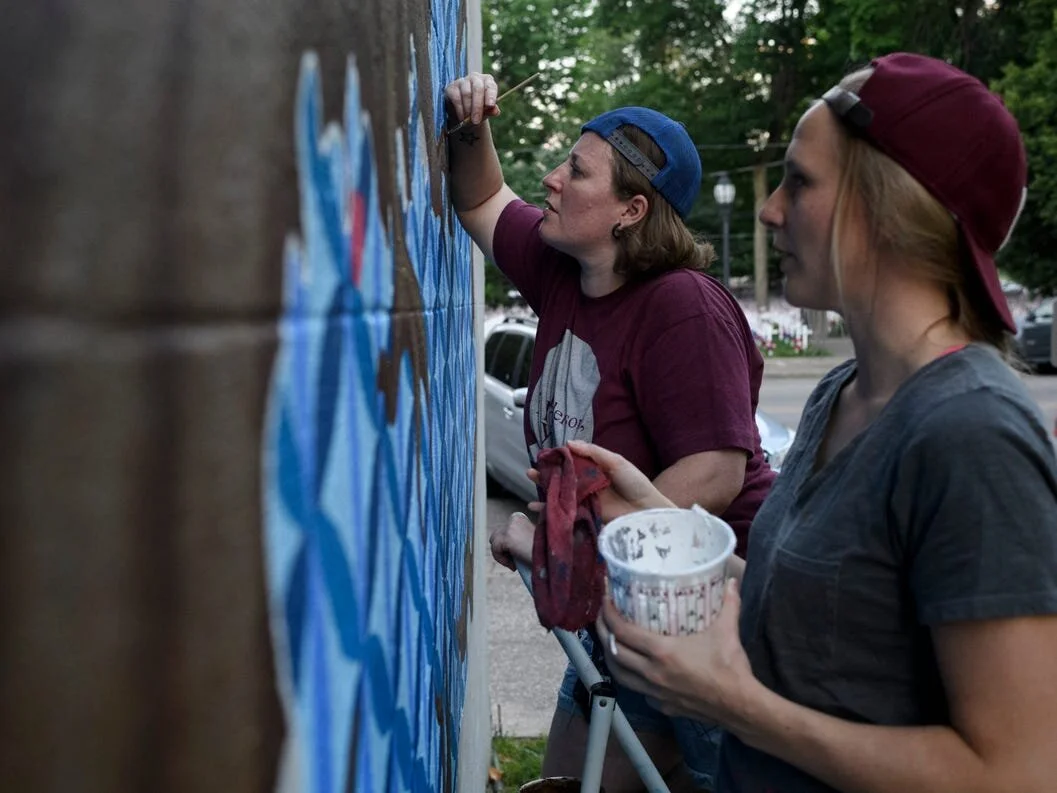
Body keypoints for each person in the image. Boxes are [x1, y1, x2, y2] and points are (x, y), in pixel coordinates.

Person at [497, 52, 1057, 792]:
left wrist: (735, 705)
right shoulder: (841, 392)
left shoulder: (972, 432)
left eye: (799, 182)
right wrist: (647, 519)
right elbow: (797, 602)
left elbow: (1019, 773)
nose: (768, 211)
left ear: (887, 210)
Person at [445, 74, 775, 790]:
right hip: (625, 617)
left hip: (709, 622)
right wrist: (470, 121)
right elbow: (479, 199)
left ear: (631, 210)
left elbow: (715, 472)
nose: (552, 178)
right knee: (571, 781)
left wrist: (565, 547)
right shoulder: (561, 270)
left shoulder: (683, 306)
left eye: (577, 170)